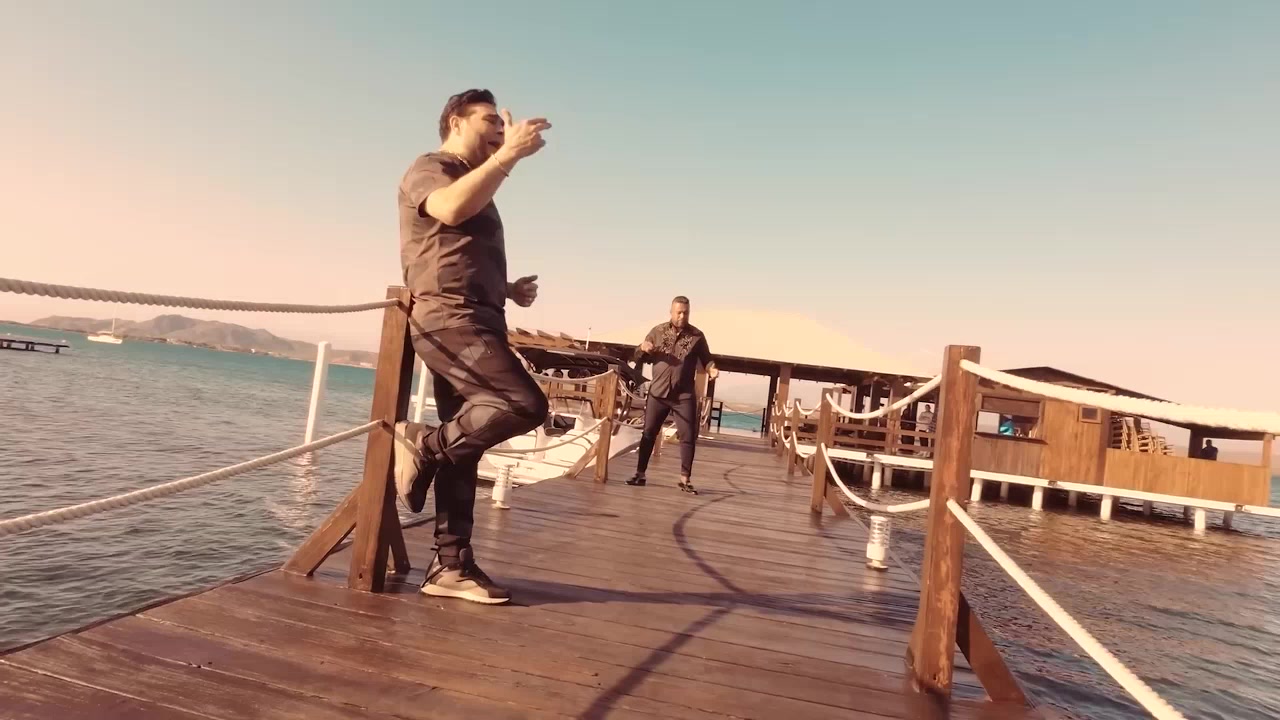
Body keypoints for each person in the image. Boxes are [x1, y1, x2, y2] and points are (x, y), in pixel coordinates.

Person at [391, 89, 551, 605]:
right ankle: (424, 446)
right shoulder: (430, 167)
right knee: (524, 404)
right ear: (456, 121)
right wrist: (510, 157)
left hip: (478, 316)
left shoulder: (474, 177)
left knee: (469, 443)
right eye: (489, 120)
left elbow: (451, 250)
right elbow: (449, 209)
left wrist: (506, 288)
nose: (500, 130)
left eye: (503, 126)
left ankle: (450, 565)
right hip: (449, 321)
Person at [626, 296, 718, 494]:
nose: (682, 316)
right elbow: (637, 356)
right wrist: (642, 348)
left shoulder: (697, 336)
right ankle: (640, 474)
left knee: (688, 436)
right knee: (648, 433)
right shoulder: (657, 332)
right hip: (658, 393)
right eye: (679, 312)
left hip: (683, 395)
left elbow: (707, 359)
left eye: (686, 312)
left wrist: (712, 369)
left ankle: (685, 479)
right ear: (671, 312)